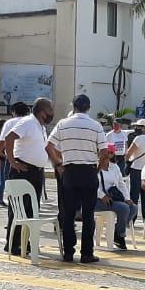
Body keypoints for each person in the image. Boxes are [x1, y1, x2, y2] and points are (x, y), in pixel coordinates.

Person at [47, 94, 106, 263]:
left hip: (70, 172)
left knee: (68, 214)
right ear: (89, 107)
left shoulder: (63, 124)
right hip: (88, 171)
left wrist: (58, 164)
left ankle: (68, 252)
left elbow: (49, 146)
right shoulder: (96, 126)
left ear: (73, 106)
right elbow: (103, 152)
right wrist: (97, 168)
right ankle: (87, 253)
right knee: (88, 215)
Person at [2, 98, 54, 256]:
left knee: (31, 209)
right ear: (42, 111)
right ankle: (13, 244)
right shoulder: (28, 122)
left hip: (36, 172)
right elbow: (9, 138)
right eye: (50, 110)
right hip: (23, 170)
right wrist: (12, 161)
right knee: (19, 209)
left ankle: (25, 241)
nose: (52, 114)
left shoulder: (40, 127)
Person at [94, 147, 132, 250]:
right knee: (124, 208)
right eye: (105, 153)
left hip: (113, 197)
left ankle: (116, 232)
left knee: (133, 208)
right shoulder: (93, 167)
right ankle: (120, 236)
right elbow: (91, 185)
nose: (107, 155)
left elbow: (121, 184)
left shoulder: (114, 167)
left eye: (110, 153)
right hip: (98, 200)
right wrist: (102, 196)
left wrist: (127, 198)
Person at [124, 118, 145, 221]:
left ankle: (131, 219)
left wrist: (127, 160)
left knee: (134, 195)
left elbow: (128, 154)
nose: (136, 128)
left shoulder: (138, 139)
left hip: (136, 169)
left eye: (139, 127)